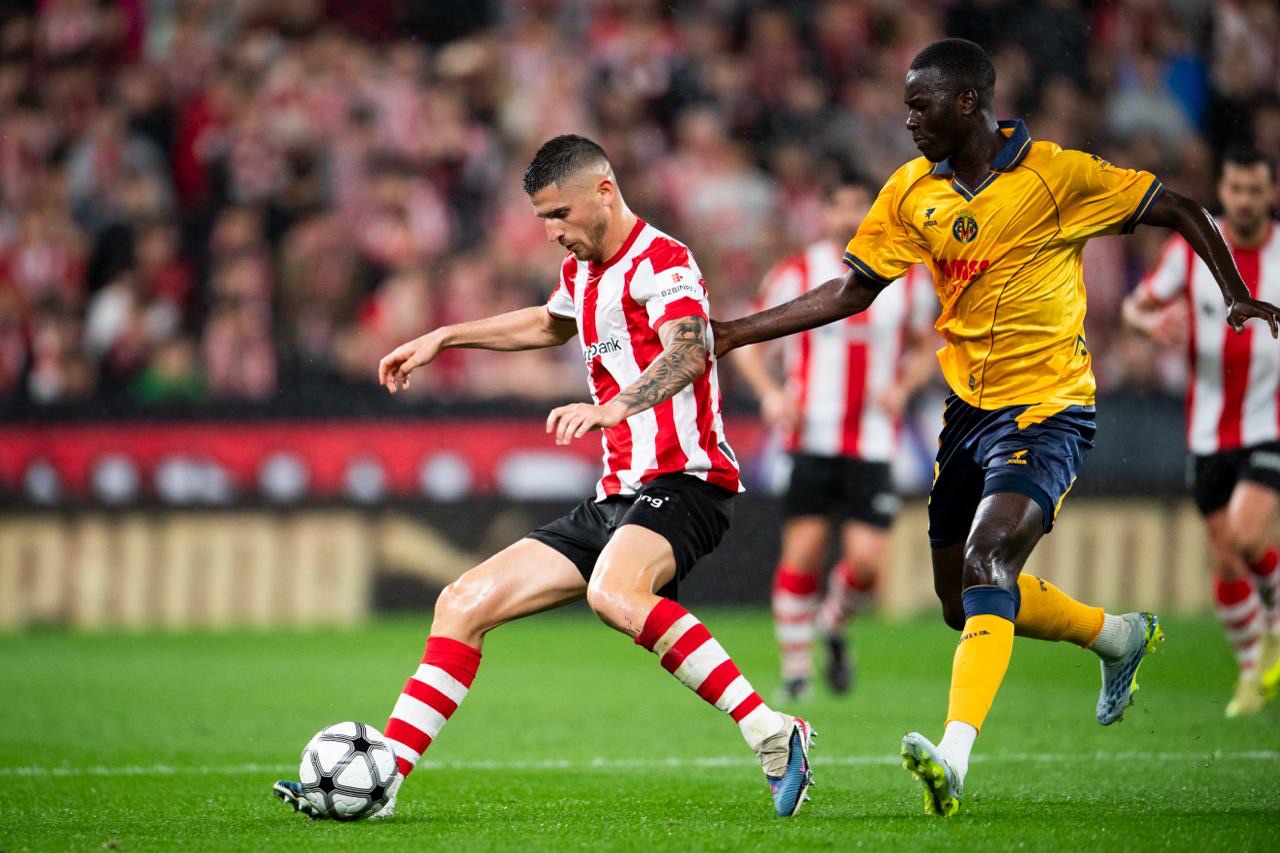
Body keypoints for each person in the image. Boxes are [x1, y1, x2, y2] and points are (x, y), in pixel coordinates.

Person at [711, 38, 1280, 818]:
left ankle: (953, 755)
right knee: (964, 598)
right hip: (967, 414)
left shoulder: (1057, 175)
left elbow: (1177, 206)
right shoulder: (913, 191)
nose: (908, 120)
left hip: (1049, 409)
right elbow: (852, 289)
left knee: (987, 560)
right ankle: (1116, 636)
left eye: (921, 105)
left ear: (968, 102)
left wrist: (1235, 292)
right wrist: (736, 331)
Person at [272, 135, 816, 820]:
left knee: (613, 593)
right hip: (617, 496)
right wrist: (446, 336)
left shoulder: (664, 260)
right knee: (461, 603)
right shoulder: (583, 272)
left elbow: (690, 348)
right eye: (542, 219)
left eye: (560, 214)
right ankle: (383, 784)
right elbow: (549, 322)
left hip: (687, 481)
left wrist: (617, 405)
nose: (553, 231)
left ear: (604, 192)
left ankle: (773, 733)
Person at [734, 175, 937, 700]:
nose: (849, 216)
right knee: (802, 553)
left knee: (867, 566)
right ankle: (796, 675)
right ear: (823, 214)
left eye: (858, 205)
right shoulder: (796, 274)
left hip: (874, 439)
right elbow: (749, 345)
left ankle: (834, 619)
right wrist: (771, 394)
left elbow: (928, 345)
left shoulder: (907, 279)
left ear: (873, 211)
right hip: (811, 437)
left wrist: (904, 386)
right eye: (839, 206)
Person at [1123, 146, 1280, 716]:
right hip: (1207, 430)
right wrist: (1151, 322)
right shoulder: (1193, 250)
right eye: (1236, 189)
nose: (1244, 201)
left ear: (1272, 193)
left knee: (1246, 534)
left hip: (1268, 421)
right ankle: (1251, 670)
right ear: (1222, 189)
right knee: (1225, 556)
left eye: (1255, 190)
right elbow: (1133, 308)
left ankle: (1276, 619)